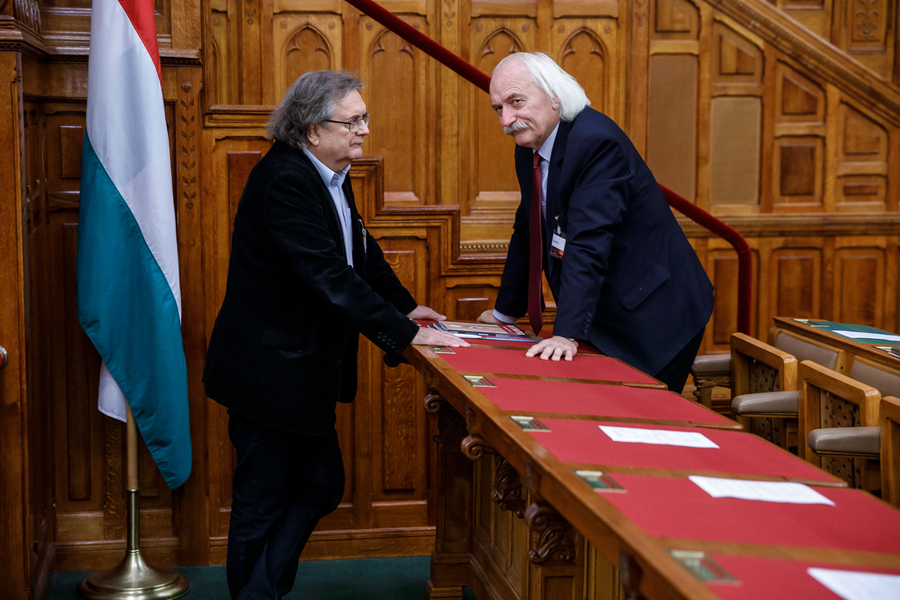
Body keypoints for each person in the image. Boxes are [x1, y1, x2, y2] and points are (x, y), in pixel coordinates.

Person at [202, 70, 466, 600]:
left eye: (364, 118)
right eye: (352, 120)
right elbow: (328, 275)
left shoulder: (328, 175)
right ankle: (257, 594)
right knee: (263, 498)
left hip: (302, 372)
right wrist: (404, 336)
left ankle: (264, 590)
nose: (364, 130)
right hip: (269, 373)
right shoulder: (285, 179)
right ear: (310, 129)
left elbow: (362, 257)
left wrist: (408, 309)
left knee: (321, 483)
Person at [477, 52, 714, 393]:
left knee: (639, 425)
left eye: (516, 102)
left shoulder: (596, 142)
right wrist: (504, 315)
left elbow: (588, 241)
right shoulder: (529, 143)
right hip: (607, 310)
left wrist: (566, 333)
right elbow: (528, 230)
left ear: (554, 96)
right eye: (498, 108)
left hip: (655, 315)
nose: (506, 120)